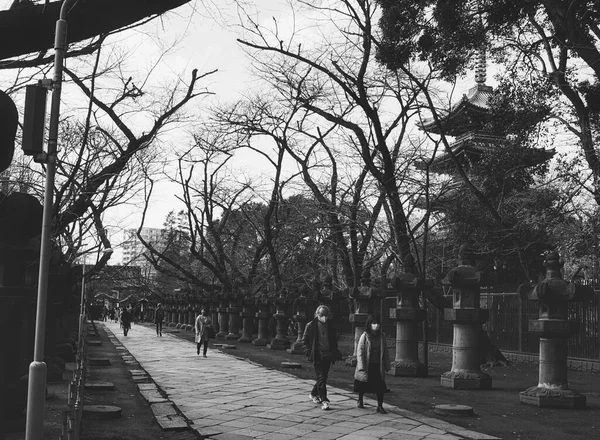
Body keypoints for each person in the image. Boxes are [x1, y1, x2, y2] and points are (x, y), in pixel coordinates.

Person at [301, 305, 343, 410]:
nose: (324, 317)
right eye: (322, 315)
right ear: (317, 314)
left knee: (323, 377)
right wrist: (308, 352)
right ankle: (324, 400)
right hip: (317, 355)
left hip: (327, 355)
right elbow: (304, 340)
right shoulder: (311, 325)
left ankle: (313, 393)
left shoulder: (330, 325)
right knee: (321, 377)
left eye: (326, 315)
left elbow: (334, 340)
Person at [354, 313, 391, 414]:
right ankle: (360, 399)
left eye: (378, 323)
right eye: (374, 323)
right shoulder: (364, 336)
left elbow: (385, 352)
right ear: (369, 324)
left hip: (378, 365)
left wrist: (387, 365)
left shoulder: (381, 336)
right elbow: (360, 351)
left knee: (380, 386)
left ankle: (380, 405)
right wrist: (361, 366)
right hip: (367, 364)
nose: (376, 325)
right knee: (363, 383)